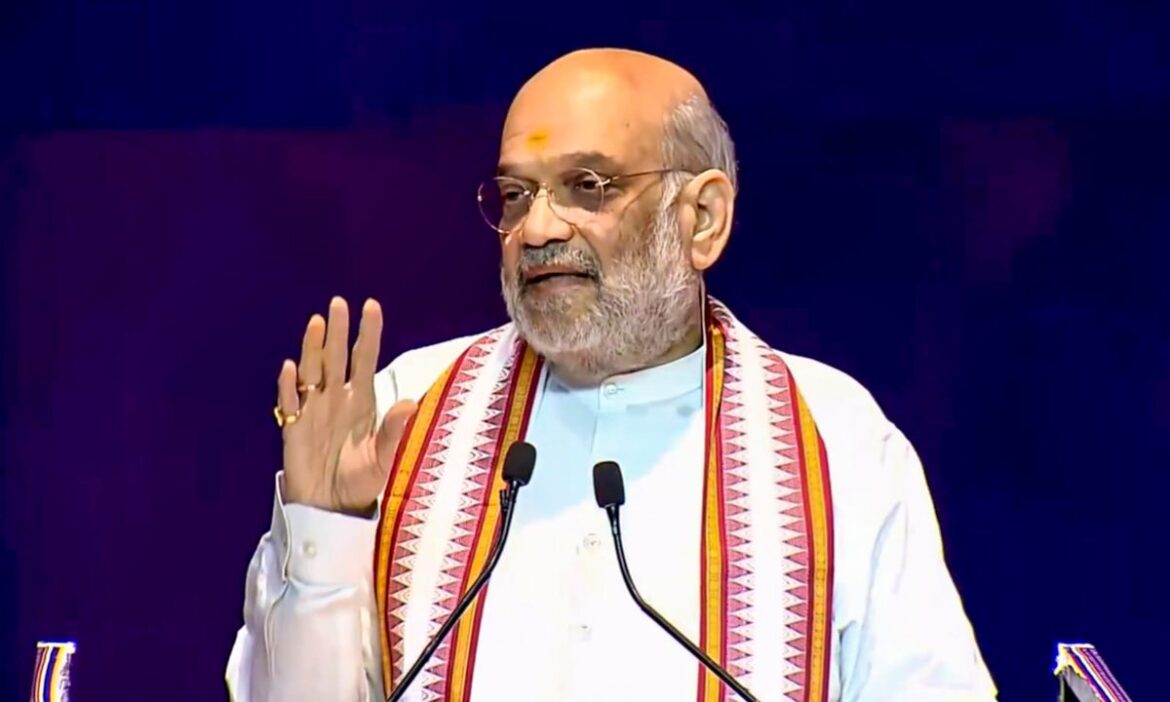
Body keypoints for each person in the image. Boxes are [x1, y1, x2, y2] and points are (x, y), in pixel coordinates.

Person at [225, 48, 998, 702]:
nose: (536, 229)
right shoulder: (405, 416)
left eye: (587, 186)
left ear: (702, 219)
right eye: (516, 195)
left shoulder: (838, 442)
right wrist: (321, 528)